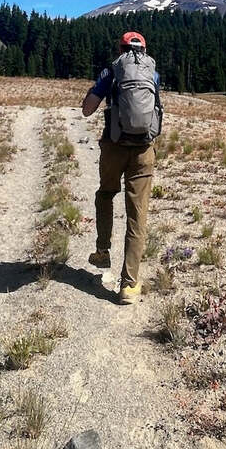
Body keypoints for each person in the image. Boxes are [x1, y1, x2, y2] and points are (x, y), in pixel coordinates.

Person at [81, 31, 162, 305]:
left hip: (114, 146)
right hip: (143, 151)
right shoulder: (152, 73)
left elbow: (87, 109)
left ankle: (102, 250)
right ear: (144, 51)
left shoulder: (111, 72)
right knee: (137, 215)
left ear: (121, 49)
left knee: (105, 194)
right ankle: (129, 284)